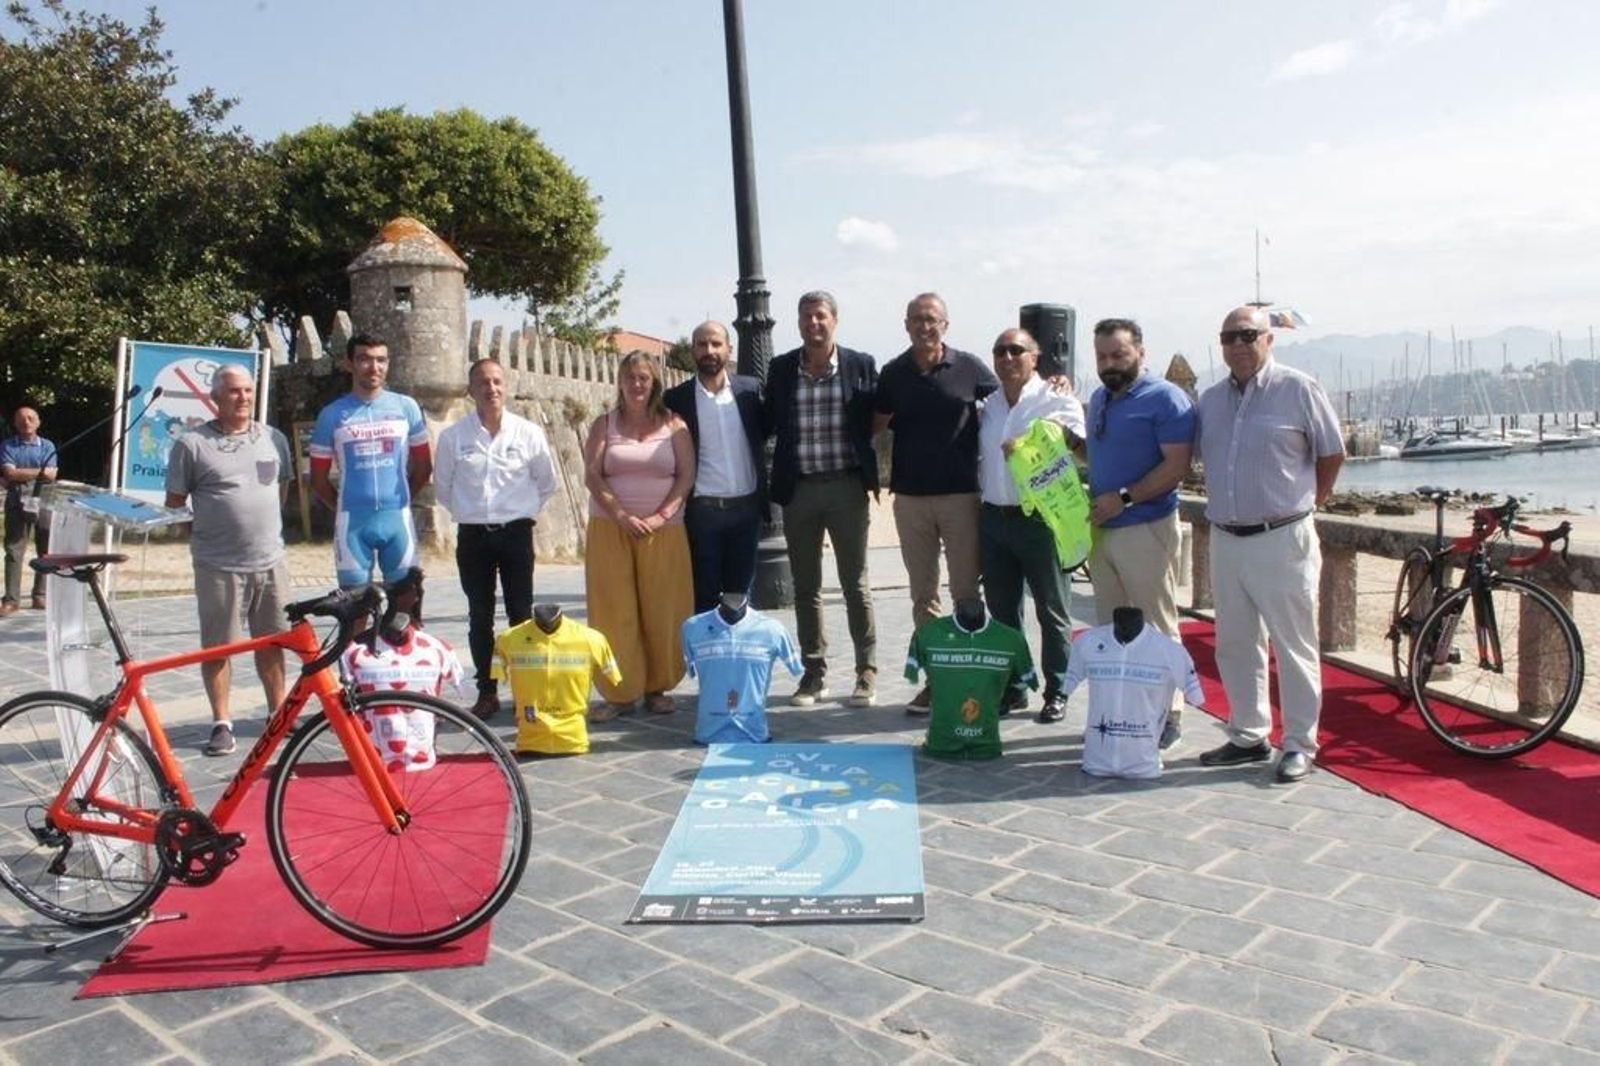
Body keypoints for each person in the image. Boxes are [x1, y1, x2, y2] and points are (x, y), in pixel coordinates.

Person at [1195, 306, 1345, 783]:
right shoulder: (1211, 399)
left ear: (1269, 339)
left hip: (1282, 536)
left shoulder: (1299, 389)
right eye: (1228, 337)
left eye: (1247, 335)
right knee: (1236, 643)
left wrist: (1309, 503)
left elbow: (1332, 452)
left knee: (1293, 645)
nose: (1237, 345)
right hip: (1226, 537)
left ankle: (1300, 742)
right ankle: (1248, 733)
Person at [875, 292, 999, 713]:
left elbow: (1011, 400)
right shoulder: (893, 373)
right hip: (910, 499)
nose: (923, 326)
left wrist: (1056, 383)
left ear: (945, 324)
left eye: (931, 319)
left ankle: (972, 676)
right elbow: (873, 423)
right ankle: (937, 679)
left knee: (966, 591)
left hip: (960, 496)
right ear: (905, 325)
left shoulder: (970, 368)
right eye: (916, 319)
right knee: (923, 596)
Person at [163, 365, 294, 756]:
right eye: (234, 391)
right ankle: (222, 722)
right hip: (218, 565)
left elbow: (282, 488)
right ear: (215, 398)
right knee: (218, 647)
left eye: (248, 391)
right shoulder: (192, 444)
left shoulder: (273, 438)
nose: (243, 398)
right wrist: (209, 537)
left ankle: (277, 714)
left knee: (273, 641)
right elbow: (175, 505)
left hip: (271, 561)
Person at [765, 291, 881, 707]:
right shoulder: (780, 370)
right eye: (805, 317)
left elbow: (885, 410)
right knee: (806, 586)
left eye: (820, 316)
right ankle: (813, 673)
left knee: (856, 582)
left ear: (835, 319)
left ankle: (865, 670)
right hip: (799, 490)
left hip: (847, 486)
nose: (813, 323)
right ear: (797, 323)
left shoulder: (860, 365)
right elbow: (763, 419)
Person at [1084, 317, 1196, 746]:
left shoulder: (1166, 399)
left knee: (1157, 623)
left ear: (1141, 352)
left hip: (1146, 527)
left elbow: (1176, 466)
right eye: (1102, 356)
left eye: (1119, 354)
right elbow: (1098, 454)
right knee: (1111, 629)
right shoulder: (1098, 398)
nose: (1109, 364)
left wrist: (1125, 498)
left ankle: (1171, 714)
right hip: (1103, 532)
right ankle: (1122, 712)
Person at [434, 357, 560, 721]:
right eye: (483, 383)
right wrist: (476, 511)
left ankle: (525, 690)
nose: (491, 389)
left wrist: (517, 510)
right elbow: (443, 489)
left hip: (516, 534)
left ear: (507, 386)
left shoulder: (529, 433)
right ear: (471, 390)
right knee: (479, 616)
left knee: (521, 615)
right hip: (473, 536)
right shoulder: (454, 438)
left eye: (497, 382)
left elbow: (546, 483)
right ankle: (487, 691)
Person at [977, 328, 1085, 724]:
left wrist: (1031, 443)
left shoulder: (1055, 397)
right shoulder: (987, 405)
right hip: (993, 517)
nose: (1007, 357)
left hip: (1041, 519)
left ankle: (1058, 690)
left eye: (1016, 350)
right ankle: (1015, 687)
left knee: (1052, 610)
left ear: (1035, 357)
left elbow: (1079, 446)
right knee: (1003, 612)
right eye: (1000, 350)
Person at [583, 351, 695, 720]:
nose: (636, 384)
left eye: (643, 377)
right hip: (610, 528)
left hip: (664, 530)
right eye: (630, 377)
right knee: (614, 610)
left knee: (663, 608)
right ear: (619, 381)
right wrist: (621, 514)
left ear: (654, 383)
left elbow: (685, 476)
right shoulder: (605, 424)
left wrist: (662, 515)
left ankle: (657, 687)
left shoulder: (674, 424)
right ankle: (620, 692)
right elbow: (593, 475)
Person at [309, 333, 433, 589]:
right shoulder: (331, 415)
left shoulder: (406, 407)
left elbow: (424, 467)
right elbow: (319, 481)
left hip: (397, 520)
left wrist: (402, 500)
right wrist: (345, 506)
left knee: (405, 612)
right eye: (364, 359)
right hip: (352, 524)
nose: (374, 367)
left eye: (381, 360)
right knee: (354, 614)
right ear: (349, 364)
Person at [664, 321, 768, 613]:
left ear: (729, 349)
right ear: (692, 350)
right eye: (701, 344)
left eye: (716, 344)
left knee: (742, 599)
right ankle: (708, 659)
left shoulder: (750, 391)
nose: (709, 350)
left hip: (746, 512)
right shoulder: (676, 400)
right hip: (702, 514)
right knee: (704, 598)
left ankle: (740, 658)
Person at [1, 406, 56, 616]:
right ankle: (11, 600)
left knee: (45, 551)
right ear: (15, 423)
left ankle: (39, 596)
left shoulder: (48, 446)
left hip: (44, 502)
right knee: (14, 551)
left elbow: (51, 476)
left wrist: (20, 473)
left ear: (39, 421)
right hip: (16, 504)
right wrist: (39, 472)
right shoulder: (7, 446)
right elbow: (9, 473)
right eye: (21, 419)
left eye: (31, 418)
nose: (26, 422)